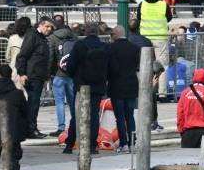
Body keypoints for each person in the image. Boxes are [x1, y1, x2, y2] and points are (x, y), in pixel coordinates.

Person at [64, 24, 108, 154]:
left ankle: (69, 144)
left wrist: (75, 78)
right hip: (98, 86)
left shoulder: (79, 45)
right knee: (94, 115)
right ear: (98, 33)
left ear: (86, 32)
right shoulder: (104, 46)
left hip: (81, 85)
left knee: (77, 115)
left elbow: (70, 65)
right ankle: (92, 146)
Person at [13, 17, 55, 138]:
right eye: (47, 26)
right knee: (33, 104)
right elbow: (22, 56)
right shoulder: (33, 35)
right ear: (41, 25)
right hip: (32, 76)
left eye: (51, 27)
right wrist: (22, 73)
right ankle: (31, 130)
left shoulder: (42, 38)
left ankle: (31, 128)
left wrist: (46, 75)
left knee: (34, 104)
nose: (49, 29)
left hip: (39, 75)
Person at [106, 26, 141, 153]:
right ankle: (133, 143)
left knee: (120, 117)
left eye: (111, 34)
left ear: (115, 34)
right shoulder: (134, 48)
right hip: (131, 85)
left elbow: (109, 68)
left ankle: (123, 143)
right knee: (130, 116)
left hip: (116, 86)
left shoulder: (111, 48)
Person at [138, 0, 174, 98]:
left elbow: (139, 18)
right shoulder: (164, 5)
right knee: (163, 65)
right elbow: (169, 18)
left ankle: (145, 91)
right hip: (160, 38)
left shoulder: (142, 4)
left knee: (145, 64)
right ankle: (162, 94)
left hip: (144, 38)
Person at [175, 68, 204, 147]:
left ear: (194, 78)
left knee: (187, 158)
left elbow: (180, 113)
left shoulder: (185, 93)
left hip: (188, 131)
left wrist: (181, 130)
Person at [48, 19, 77, 136]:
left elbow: (51, 57)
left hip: (59, 74)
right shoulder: (75, 37)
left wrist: (49, 72)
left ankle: (61, 127)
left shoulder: (53, 38)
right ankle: (75, 125)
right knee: (72, 101)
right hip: (71, 75)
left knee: (59, 102)